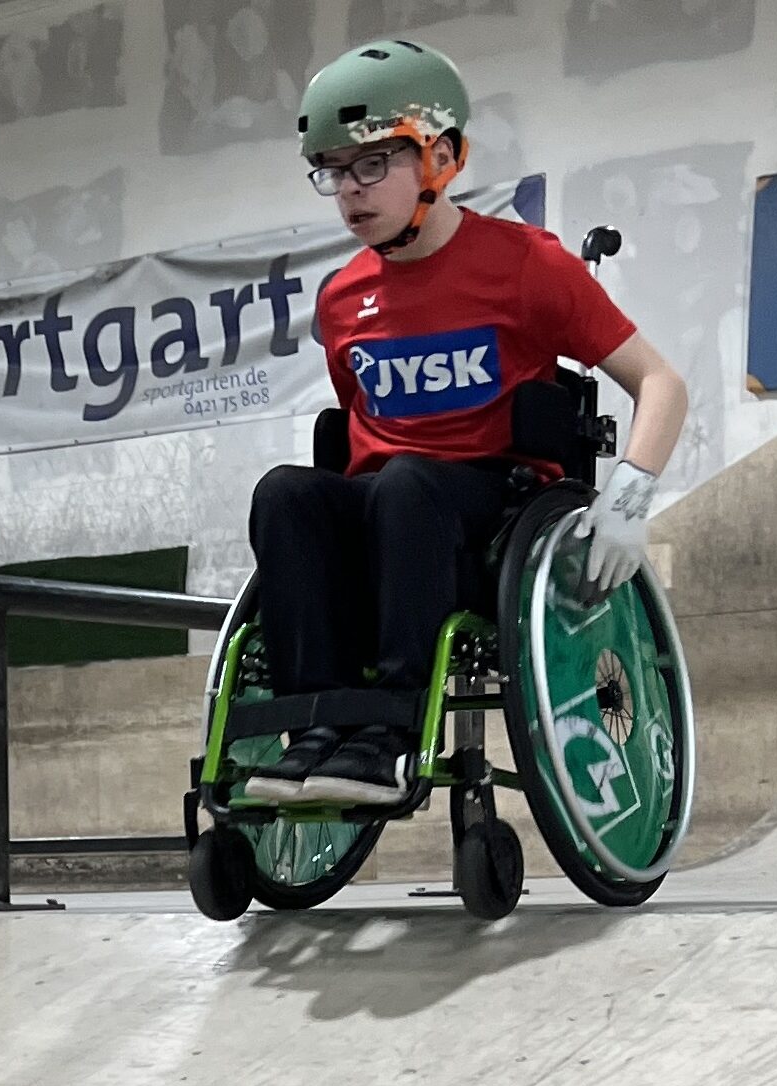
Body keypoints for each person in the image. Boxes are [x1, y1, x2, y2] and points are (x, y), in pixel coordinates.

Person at [240, 38, 689, 806]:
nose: (350, 191)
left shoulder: (526, 265)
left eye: (373, 164)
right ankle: (315, 728)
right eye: (335, 172)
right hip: (394, 510)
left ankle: (388, 735)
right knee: (285, 492)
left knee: (407, 485)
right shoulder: (342, 300)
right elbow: (358, 431)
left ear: (441, 156)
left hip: (493, 507)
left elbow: (660, 382)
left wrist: (629, 499)